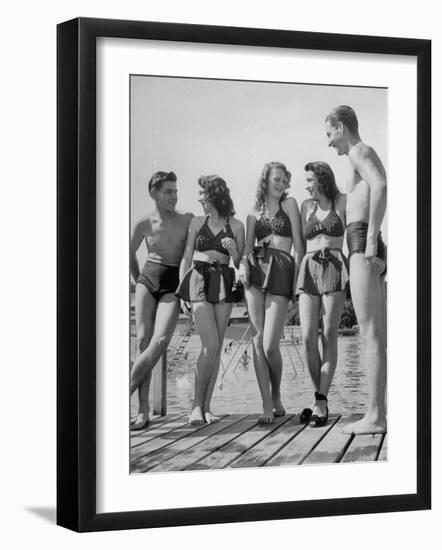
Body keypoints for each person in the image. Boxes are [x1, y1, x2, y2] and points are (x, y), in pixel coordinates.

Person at [325, 105, 387, 434]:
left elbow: (380, 186)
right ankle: (378, 412)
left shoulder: (359, 151)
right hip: (360, 238)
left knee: (370, 334)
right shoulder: (357, 155)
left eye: (330, 133)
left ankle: (375, 416)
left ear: (343, 127)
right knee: (375, 334)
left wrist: (372, 241)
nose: (329, 142)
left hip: (363, 239)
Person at [176, 175, 245, 425]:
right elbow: (186, 257)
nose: (199, 199)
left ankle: (207, 407)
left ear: (214, 195)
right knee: (210, 345)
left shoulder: (236, 225)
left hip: (225, 281)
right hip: (198, 278)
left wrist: (234, 250)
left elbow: (240, 263)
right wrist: (181, 290)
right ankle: (195, 405)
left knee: (215, 350)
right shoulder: (196, 221)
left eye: (202, 195)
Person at [239, 162, 304, 424]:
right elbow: (246, 250)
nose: (280, 184)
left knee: (270, 345)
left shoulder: (290, 204)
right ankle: (266, 403)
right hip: (256, 270)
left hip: (282, 269)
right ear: (265, 181)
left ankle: (276, 394)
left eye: (284, 180)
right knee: (256, 340)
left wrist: (297, 286)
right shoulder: (254, 211)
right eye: (276, 179)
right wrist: (243, 265)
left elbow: (298, 246)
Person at [130, 171, 193, 429]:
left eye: (176, 191)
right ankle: (143, 410)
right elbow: (128, 252)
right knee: (142, 340)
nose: (174, 196)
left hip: (171, 284)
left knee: (161, 340)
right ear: (154, 193)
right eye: (168, 191)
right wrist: (138, 279)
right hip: (148, 278)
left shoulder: (187, 219)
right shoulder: (144, 223)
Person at [297, 162, 348, 427]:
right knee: (307, 336)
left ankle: (320, 401)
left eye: (309, 180)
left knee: (328, 335)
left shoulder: (342, 201)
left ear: (322, 179)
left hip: (335, 265)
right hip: (308, 267)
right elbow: (298, 246)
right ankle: (321, 398)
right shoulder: (306, 206)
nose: (306, 185)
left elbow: (357, 234)